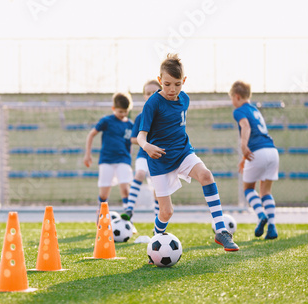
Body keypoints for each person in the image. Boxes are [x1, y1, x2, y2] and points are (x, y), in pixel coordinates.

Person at [137, 54, 239, 251]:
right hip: (159, 160)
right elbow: (142, 136)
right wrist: (147, 146)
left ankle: (221, 230)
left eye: (177, 84)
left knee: (206, 175)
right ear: (160, 81)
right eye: (167, 84)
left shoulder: (185, 99)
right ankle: (155, 242)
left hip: (183, 152)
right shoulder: (152, 103)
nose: (172, 89)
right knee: (166, 212)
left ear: (184, 81)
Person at [230, 80, 279, 239]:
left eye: (232, 98)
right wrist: (245, 157)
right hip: (272, 151)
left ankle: (261, 215)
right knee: (265, 191)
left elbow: (246, 126)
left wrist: (244, 146)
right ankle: (272, 227)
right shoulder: (254, 110)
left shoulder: (239, 110)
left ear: (237, 96)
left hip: (257, 152)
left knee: (249, 189)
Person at [84, 92, 134, 222]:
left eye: (125, 112)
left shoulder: (130, 125)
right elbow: (91, 135)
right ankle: (100, 216)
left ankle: (128, 219)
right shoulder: (107, 121)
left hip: (123, 159)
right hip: (107, 160)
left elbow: (130, 143)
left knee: (125, 188)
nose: (123, 114)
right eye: (120, 111)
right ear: (113, 109)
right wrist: (87, 154)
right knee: (104, 193)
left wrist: (129, 158)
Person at [121, 80, 161, 225]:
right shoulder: (141, 116)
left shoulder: (164, 116)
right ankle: (129, 209)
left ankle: (158, 222)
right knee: (140, 173)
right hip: (144, 155)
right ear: (144, 96)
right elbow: (132, 138)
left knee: (158, 189)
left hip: (158, 158)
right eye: (148, 93)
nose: (151, 95)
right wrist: (146, 143)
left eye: (154, 92)